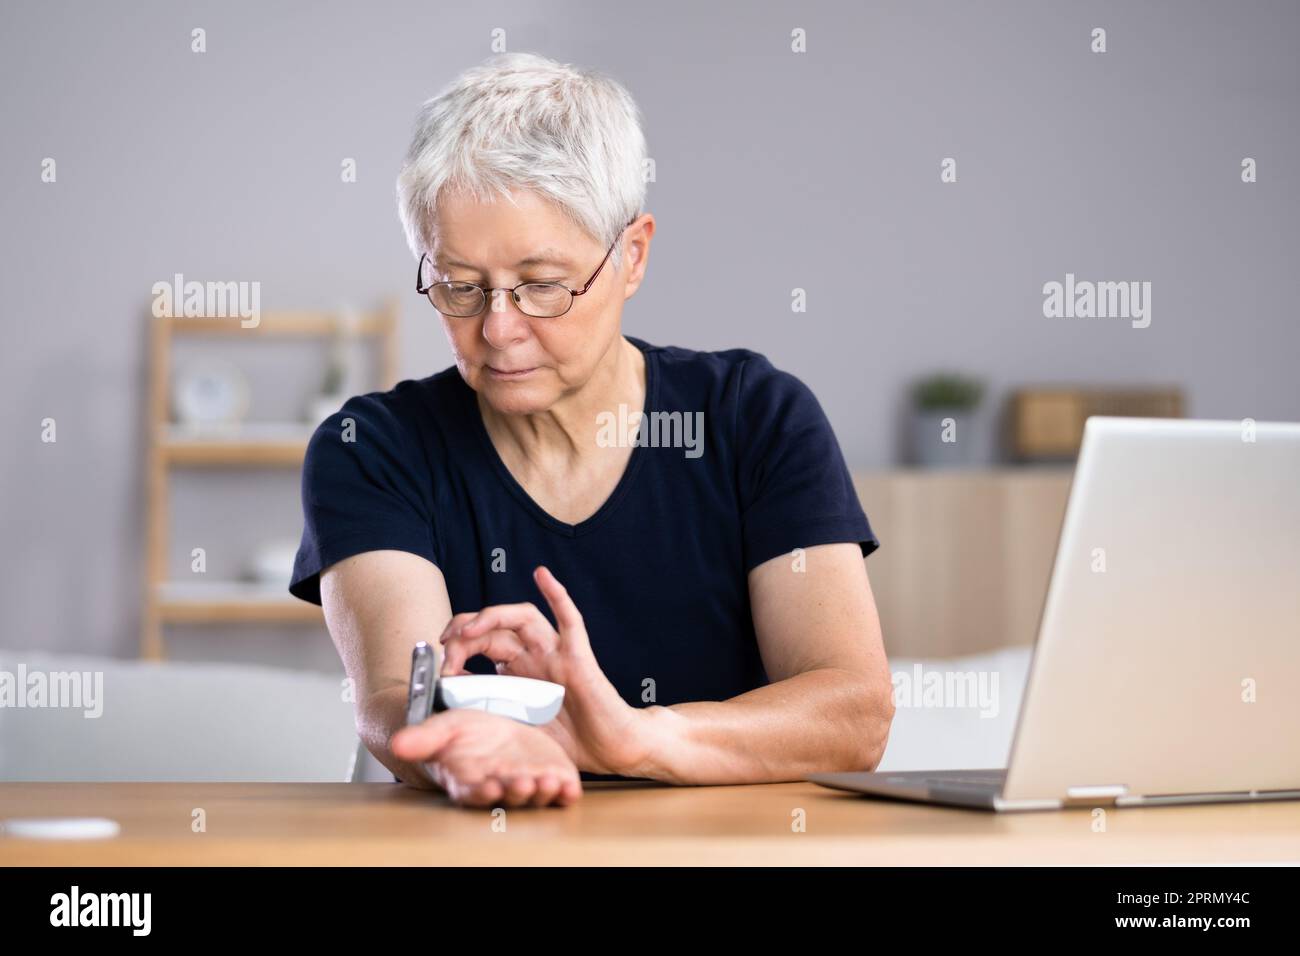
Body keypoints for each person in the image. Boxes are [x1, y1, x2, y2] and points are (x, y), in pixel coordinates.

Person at [289, 52, 893, 808]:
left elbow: (853, 711)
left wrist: (630, 737)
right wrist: (457, 747)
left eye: (542, 285)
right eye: (459, 286)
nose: (499, 329)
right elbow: (395, 695)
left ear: (631, 255)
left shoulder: (756, 419)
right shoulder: (374, 450)